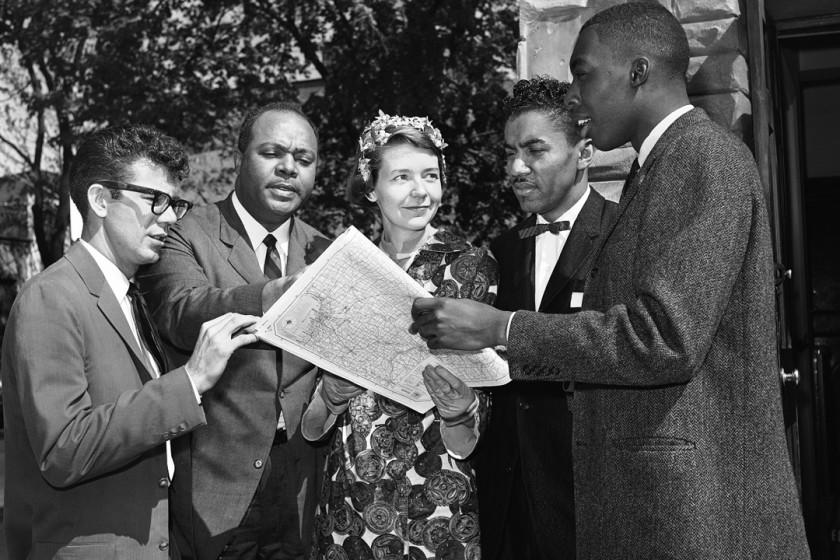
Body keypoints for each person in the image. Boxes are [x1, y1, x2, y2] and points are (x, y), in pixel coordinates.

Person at [409, 3, 812, 558]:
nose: (575, 96)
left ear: (638, 72)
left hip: (696, 512)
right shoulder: (659, 169)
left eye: (584, 73)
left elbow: (663, 338)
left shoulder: (703, 159)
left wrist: (503, 328)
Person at [1, 125, 259, 559]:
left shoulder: (131, 294)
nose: (172, 217)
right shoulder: (52, 296)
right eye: (154, 200)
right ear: (101, 200)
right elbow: (64, 450)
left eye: (175, 203)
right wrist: (191, 380)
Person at [300, 112, 498, 560]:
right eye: (401, 177)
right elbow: (312, 424)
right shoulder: (345, 267)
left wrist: (458, 412)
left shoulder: (472, 267)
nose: (419, 191)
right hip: (349, 497)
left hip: (438, 503)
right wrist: (329, 395)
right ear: (371, 187)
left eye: (430, 175)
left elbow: (483, 398)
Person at [138, 102, 330, 560]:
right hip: (218, 486)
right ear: (241, 156)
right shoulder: (185, 233)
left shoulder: (326, 249)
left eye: (304, 160)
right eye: (273, 152)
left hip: (306, 485)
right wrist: (274, 294)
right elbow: (182, 312)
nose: (289, 168)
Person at [473, 76, 616, 560]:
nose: (516, 167)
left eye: (535, 150)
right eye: (510, 152)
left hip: (595, 503)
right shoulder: (498, 252)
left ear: (586, 150)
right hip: (508, 508)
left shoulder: (624, 236)